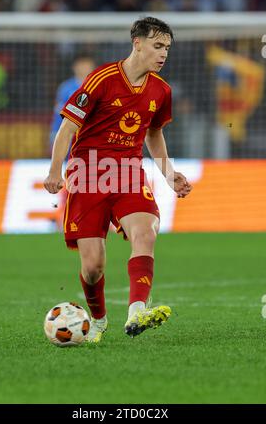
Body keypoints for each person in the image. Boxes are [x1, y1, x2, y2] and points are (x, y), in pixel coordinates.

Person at [44, 17, 192, 343]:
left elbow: (154, 133)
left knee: (146, 231)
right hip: (87, 175)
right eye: (157, 46)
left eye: (167, 47)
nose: (163, 53)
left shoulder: (161, 90)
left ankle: (137, 310)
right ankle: (97, 320)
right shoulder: (102, 78)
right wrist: (56, 170)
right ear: (137, 43)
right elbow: (67, 127)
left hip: (128, 173)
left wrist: (169, 174)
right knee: (93, 265)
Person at [50, 54, 96, 147]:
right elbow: (59, 113)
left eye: (87, 64)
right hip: (68, 134)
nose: (84, 67)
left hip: (91, 135)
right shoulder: (66, 88)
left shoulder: (99, 86)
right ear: (74, 67)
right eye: (81, 64)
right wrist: (55, 133)